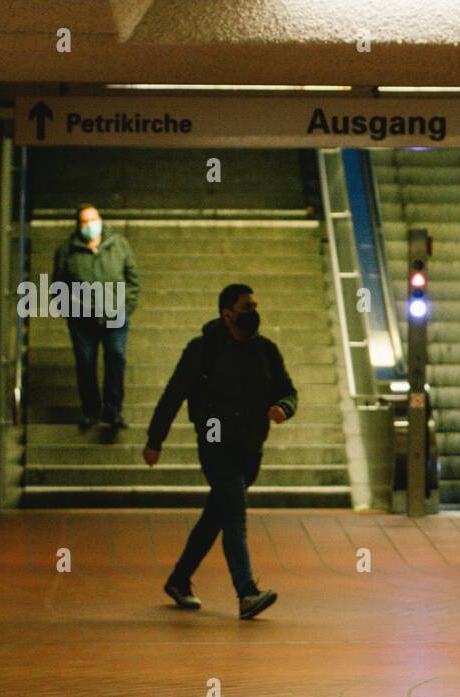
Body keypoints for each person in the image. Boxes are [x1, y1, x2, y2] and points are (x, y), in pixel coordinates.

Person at [142, 284, 297, 620]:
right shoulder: (203, 350)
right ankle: (246, 593)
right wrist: (156, 440)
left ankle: (179, 580)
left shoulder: (266, 351)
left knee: (217, 515)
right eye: (246, 306)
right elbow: (173, 395)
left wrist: (284, 407)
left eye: (255, 305)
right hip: (214, 441)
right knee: (235, 513)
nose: (253, 312)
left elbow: (287, 390)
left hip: (251, 446)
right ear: (227, 312)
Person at [51, 203, 140, 429]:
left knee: (116, 357)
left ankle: (113, 411)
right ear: (78, 225)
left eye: (94, 219)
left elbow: (132, 279)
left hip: (115, 315)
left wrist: (125, 307)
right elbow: (58, 284)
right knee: (86, 363)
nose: (91, 225)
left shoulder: (118, 245)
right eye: (85, 221)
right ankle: (91, 411)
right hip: (82, 319)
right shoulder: (67, 250)